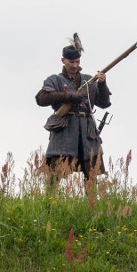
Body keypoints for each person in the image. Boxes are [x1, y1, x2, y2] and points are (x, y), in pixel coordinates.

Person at [35, 35, 110, 182]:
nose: (75, 65)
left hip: (87, 133)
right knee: (54, 176)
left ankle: (91, 204)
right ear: (63, 61)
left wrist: (102, 84)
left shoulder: (89, 80)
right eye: (71, 62)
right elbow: (41, 98)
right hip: (64, 132)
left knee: (91, 176)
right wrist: (68, 96)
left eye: (77, 61)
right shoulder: (54, 80)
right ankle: (49, 204)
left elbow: (104, 103)